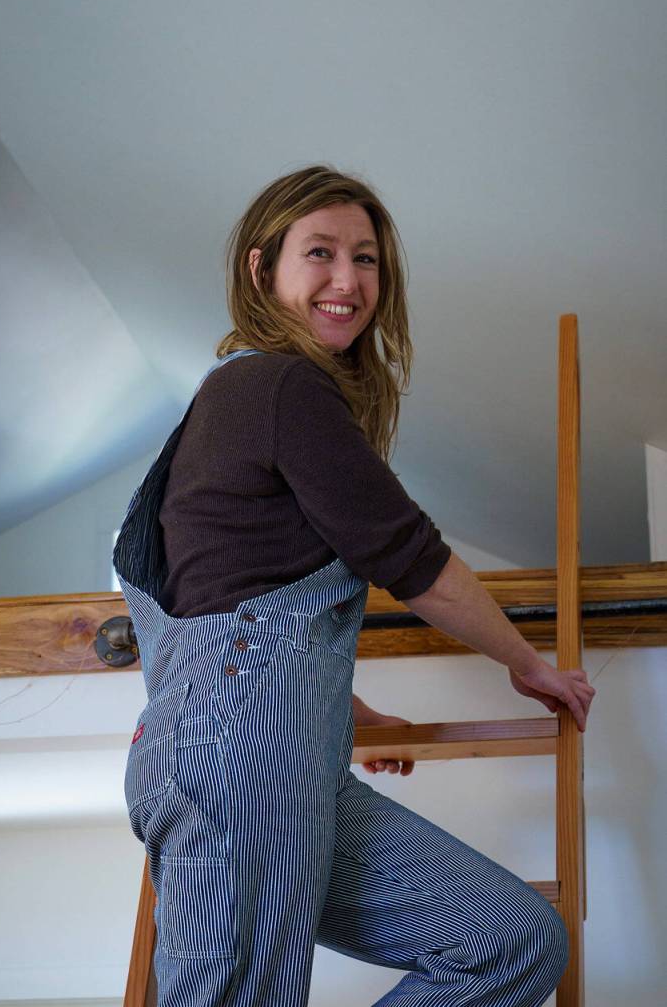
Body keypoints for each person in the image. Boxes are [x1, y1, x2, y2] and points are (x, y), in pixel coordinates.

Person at [113, 164, 596, 1007]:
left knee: (509, 941)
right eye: (321, 253)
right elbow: (411, 557)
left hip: (279, 759)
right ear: (262, 269)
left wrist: (347, 713)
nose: (348, 279)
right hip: (238, 761)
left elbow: (234, 603)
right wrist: (529, 665)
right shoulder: (277, 382)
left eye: (365, 258)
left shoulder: (246, 403)